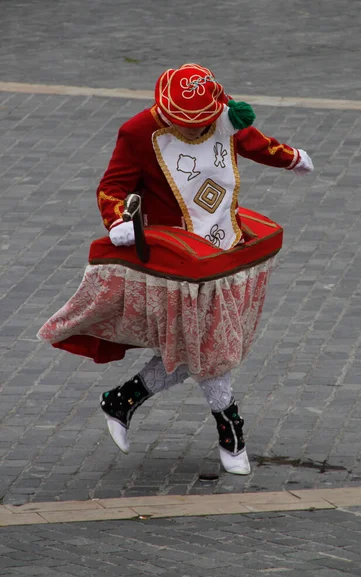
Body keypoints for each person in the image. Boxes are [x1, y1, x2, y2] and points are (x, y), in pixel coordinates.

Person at [38, 63, 313, 476]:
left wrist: (291, 158)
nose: (193, 132)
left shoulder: (224, 115)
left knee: (198, 346)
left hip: (225, 246)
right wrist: (118, 222)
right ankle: (231, 430)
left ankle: (124, 399)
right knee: (211, 347)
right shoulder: (137, 133)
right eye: (185, 126)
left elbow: (252, 143)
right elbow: (112, 187)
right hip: (177, 262)